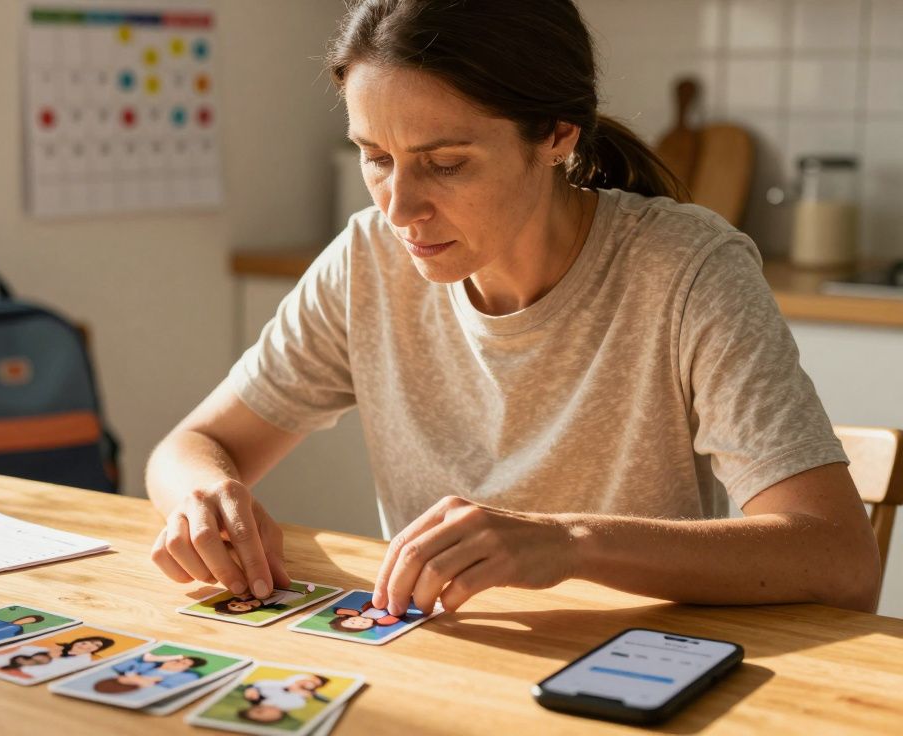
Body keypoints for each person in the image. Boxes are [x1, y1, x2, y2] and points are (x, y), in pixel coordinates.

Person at [145, 0, 881, 615]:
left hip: (633, 674)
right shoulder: (368, 259)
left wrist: (567, 542)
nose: (400, 208)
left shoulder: (687, 269)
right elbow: (192, 446)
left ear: (558, 134)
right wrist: (204, 496)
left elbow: (837, 556)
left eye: (445, 163)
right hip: (442, 660)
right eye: (375, 157)